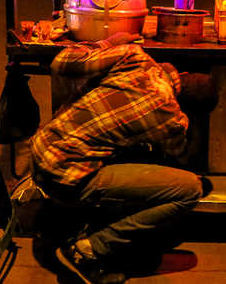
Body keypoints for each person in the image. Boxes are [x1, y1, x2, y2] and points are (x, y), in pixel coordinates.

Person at [31, 32, 215, 284]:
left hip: (42, 150)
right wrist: (184, 124)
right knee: (189, 189)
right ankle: (87, 250)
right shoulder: (171, 118)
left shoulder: (134, 57)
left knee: (130, 156)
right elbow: (179, 160)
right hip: (66, 178)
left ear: (181, 75)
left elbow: (61, 62)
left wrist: (108, 41)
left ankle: (85, 230)